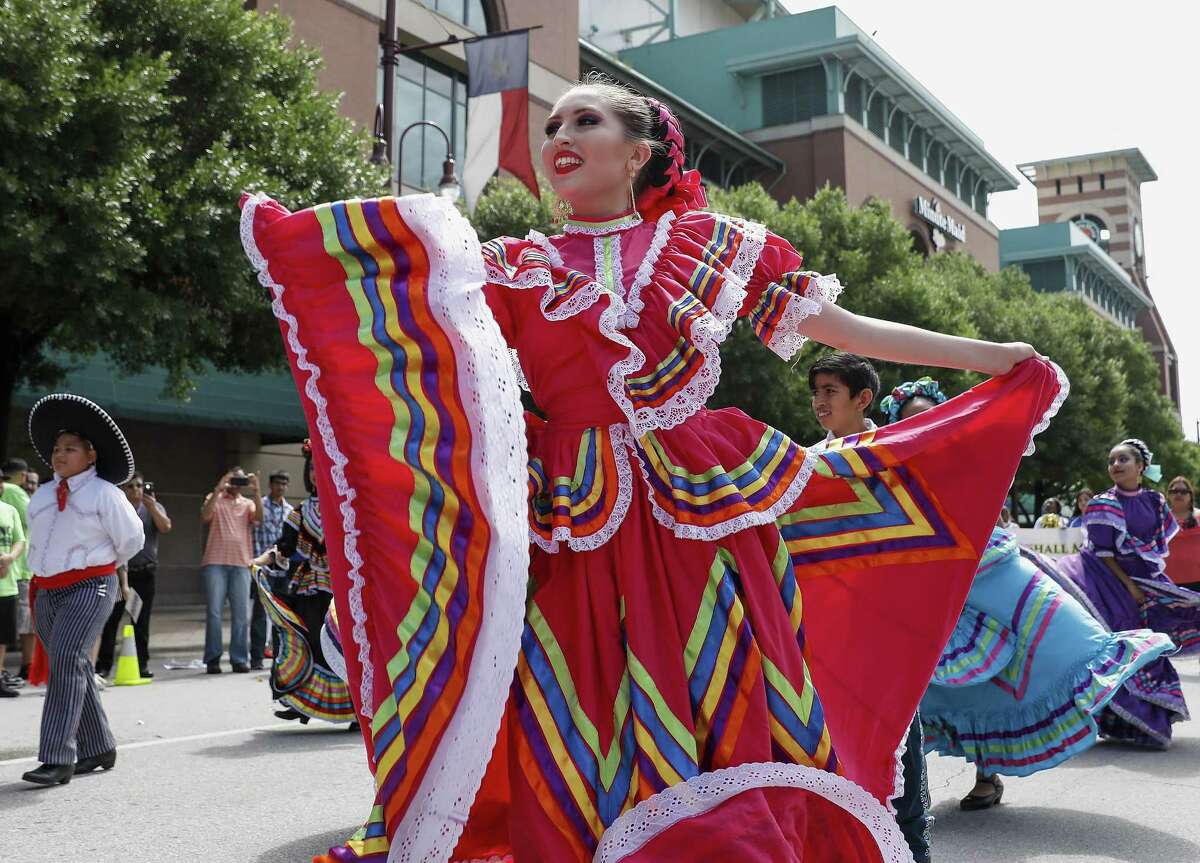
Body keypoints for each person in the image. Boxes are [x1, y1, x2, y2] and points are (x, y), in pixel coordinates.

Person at [241, 74, 1067, 863]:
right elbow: (417, 353)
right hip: (569, 517)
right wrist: (307, 246)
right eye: (554, 126)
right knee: (575, 701)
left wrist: (996, 356)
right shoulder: (511, 264)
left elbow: (838, 325)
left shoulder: (708, 244)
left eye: (584, 121)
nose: (560, 136)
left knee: (727, 694)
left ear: (639, 153)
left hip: (700, 516)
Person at [884, 382, 1173, 812]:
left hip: (979, 567)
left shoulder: (966, 460)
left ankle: (986, 773)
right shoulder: (887, 471)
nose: (919, 423)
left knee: (1015, 659)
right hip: (918, 582)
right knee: (916, 682)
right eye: (909, 418)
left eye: (926, 413)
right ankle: (908, 788)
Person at [810, 356, 931, 863]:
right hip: (829, 638)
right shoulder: (807, 462)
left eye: (831, 390)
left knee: (897, 755)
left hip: (889, 634)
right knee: (838, 760)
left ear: (863, 399)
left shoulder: (898, 456)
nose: (819, 401)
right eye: (816, 391)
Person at [21, 394, 144, 785]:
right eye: (57, 449)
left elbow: (132, 540)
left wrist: (98, 562)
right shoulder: (39, 498)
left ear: (90, 456)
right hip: (46, 590)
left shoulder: (105, 494)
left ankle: (58, 756)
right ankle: (99, 746)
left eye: (70, 449)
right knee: (73, 664)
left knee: (68, 659)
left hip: (90, 585)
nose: (60, 455)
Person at [1057, 440, 1200, 747]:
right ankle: (1119, 718)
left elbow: (1158, 543)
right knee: (1122, 645)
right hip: (1107, 582)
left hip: (1144, 578)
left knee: (1153, 642)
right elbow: (1105, 554)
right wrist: (1132, 586)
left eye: (1123, 459)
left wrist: (1150, 583)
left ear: (1141, 467)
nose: (1116, 465)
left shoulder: (1155, 501)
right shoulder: (1103, 503)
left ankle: (1138, 722)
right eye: (1112, 461)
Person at [252, 443, 353, 724]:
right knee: (306, 640)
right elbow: (283, 547)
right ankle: (302, 702)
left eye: (318, 469)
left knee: (343, 646)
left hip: (340, 589)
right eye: (310, 470)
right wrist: (258, 561)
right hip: (309, 586)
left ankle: (356, 709)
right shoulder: (299, 511)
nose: (313, 475)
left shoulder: (345, 508)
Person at [95, 473, 172, 679]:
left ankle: (142, 664)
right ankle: (104, 665)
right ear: (123, 490)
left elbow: (166, 527)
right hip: (120, 574)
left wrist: (153, 506)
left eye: (139, 486)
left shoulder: (152, 507)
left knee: (141, 620)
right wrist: (123, 582)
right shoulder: (118, 511)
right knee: (112, 620)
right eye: (131, 487)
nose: (136, 490)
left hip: (145, 573)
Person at [199, 466, 262, 674]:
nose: (237, 484)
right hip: (215, 562)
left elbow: (259, 519)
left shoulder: (248, 503)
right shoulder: (215, 497)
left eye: (241, 480)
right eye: (234, 479)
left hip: (241, 563)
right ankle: (213, 659)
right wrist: (219, 488)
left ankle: (239, 659)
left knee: (241, 614)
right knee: (214, 613)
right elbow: (205, 516)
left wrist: (257, 492)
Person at [250, 469, 292, 670]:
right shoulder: (260, 506)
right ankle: (256, 657)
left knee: (280, 616)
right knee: (260, 615)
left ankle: (278, 656)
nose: (281, 487)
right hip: (263, 569)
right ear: (271, 485)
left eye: (284, 484)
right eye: (277, 483)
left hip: (283, 571)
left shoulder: (290, 510)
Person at [1, 458, 33, 685]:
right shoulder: (17, 493)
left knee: (8, 630)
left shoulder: (8, 504)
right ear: (22, 476)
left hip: (13, 572)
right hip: (21, 572)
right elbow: (37, 518)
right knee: (26, 624)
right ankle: (27, 667)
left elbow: (19, 538)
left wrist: (11, 556)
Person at [0, 492, 26, 697]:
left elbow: (19, 541)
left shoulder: (9, 510)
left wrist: (10, 558)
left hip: (7, 584)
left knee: (3, 637)